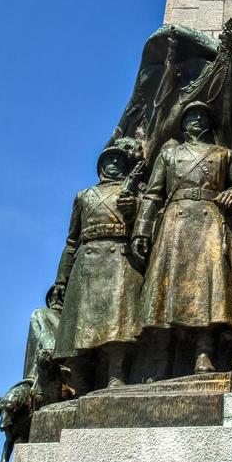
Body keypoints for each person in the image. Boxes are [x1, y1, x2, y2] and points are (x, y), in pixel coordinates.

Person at [133, 101, 232, 373]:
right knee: (167, 289)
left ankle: (204, 352)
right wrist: (141, 228)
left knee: (210, 289)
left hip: (210, 222)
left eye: (201, 116)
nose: (196, 120)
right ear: (183, 123)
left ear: (209, 123)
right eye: (191, 116)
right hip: (176, 223)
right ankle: (162, 359)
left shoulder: (223, 155)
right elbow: (153, 194)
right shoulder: (169, 155)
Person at [48, 139, 145, 391]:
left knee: (119, 324)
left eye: (118, 161)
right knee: (82, 327)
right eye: (108, 161)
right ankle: (80, 381)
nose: (113, 165)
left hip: (120, 258)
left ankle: (116, 375)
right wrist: (61, 279)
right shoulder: (84, 196)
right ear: (100, 166)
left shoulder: (134, 191)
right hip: (87, 263)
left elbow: (147, 225)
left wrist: (134, 208)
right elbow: (71, 242)